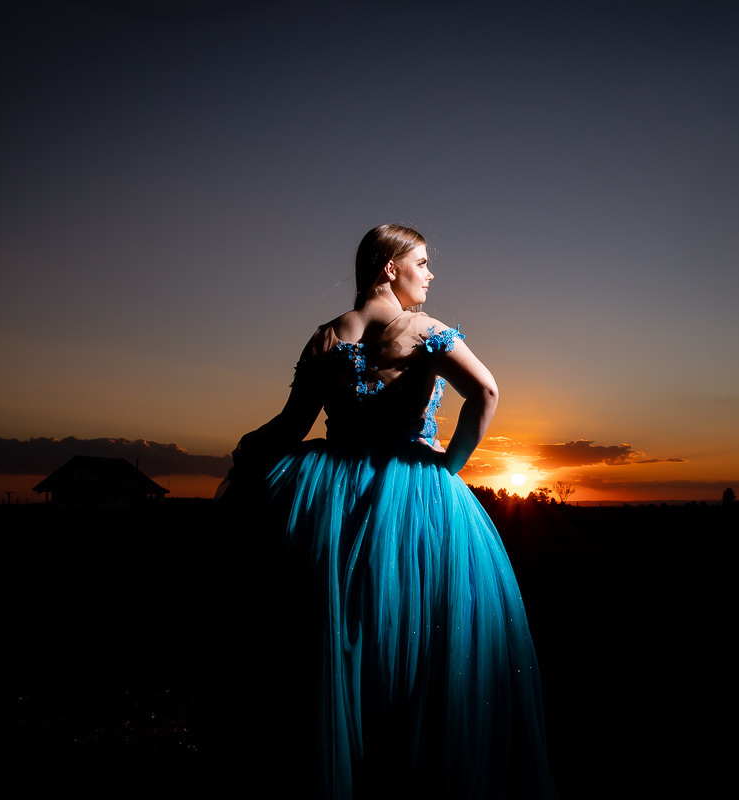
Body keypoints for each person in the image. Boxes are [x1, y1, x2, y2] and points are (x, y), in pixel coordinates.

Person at [213, 224, 556, 798]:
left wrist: (250, 452)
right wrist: (451, 466)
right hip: (413, 493)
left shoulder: (327, 337)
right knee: (421, 633)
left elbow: (290, 426)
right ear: (391, 267)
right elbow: (488, 392)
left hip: (330, 498)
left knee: (339, 633)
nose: (431, 274)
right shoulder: (428, 333)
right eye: (422, 262)